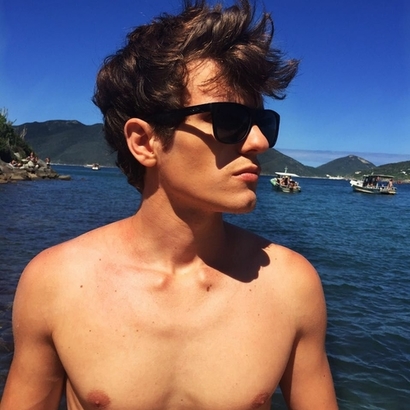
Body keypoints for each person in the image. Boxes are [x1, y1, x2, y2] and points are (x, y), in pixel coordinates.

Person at [0, 1, 338, 409]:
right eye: (228, 120)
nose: (260, 142)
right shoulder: (55, 284)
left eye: (263, 123)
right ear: (144, 142)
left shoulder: (291, 286)